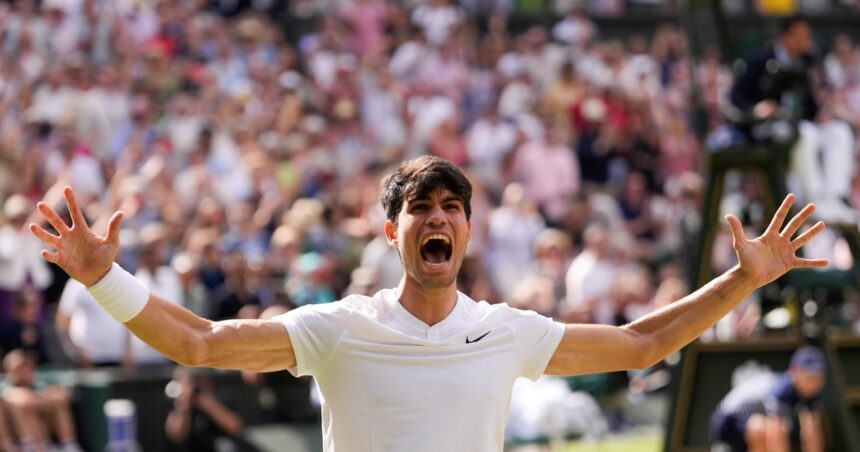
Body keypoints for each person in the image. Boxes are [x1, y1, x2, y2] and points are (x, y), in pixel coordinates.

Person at [30, 156, 827, 452]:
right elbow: (201, 343)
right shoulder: (340, 328)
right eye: (421, 206)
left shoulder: (506, 331)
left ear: (470, 229)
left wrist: (746, 279)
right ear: (392, 229)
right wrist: (103, 277)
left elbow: (639, 344)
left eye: (452, 206)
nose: (438, 217)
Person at [727, 16, 857, 223]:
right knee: (805, 133)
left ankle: (835, 198)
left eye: (807, 36)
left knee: (838, 132)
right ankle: (815, 201)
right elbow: (735, 97)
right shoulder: (761, 60)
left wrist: (822, 113)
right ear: (784, 36)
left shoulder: (806, 62)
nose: (804, 41)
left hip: (802, 127)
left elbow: (810, 107)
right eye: (799, 36)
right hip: (767, 129)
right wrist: (756, 108)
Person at [710, 346, 827, 452]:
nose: (815, 383)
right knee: (765, 428)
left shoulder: (810, 393)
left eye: (818, 377)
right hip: (727, 422)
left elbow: (811, 433)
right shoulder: (782, 389)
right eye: (810, 377)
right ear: (795, 371)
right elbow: (775, 435)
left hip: (750, 424)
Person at [1, 350, 81, 452]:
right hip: (15, 434)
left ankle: (69, 445)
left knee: (59, 409)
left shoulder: (37, 384)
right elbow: (21, 401)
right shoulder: (5, 385)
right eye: (20, 368)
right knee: (23, 409)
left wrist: (39, 401)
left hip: (44, 428)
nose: (25, 371)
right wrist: (40, 400)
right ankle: (30, 446)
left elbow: (60, 398)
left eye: (27, 367)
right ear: (10, 370)